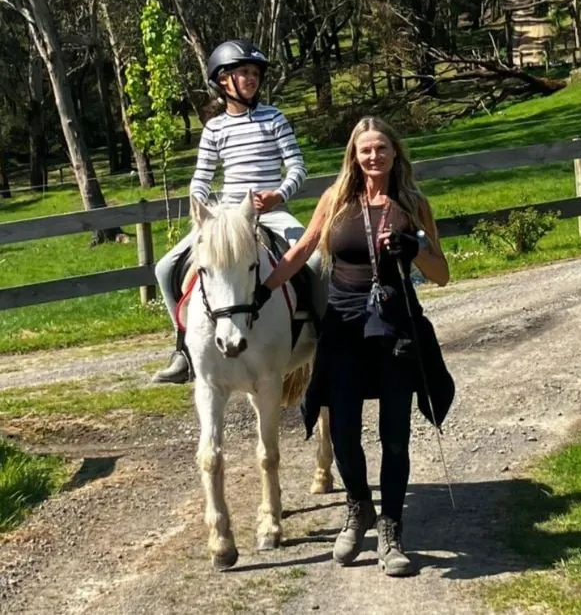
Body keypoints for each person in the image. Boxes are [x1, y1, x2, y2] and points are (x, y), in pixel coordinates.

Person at [254, 116, 452, 577]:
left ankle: (391, 529)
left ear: (395, 152)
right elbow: (301, 251)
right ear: (354, 155)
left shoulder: (413, 203)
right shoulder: (336, 199)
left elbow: (441, 274)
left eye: (382, 148)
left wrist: (411, 248)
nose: (374, 156)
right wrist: (261, 293)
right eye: (366, 150)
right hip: (343, 326)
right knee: (342, 430)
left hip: (396, 325)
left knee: (395, 435)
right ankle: (358, 507)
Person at [152, 39, 311, 384]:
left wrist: (278, 194)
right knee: (165, 268)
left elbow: (297, 166)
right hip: (225, 220)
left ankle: (324, 334)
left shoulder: (274, 118)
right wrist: (203, 209)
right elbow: (201, 178)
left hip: (270, 213)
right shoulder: (214, 128)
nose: (251, 78)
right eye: (243, 73)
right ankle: (183, 347)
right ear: (224, 81)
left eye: (255, 73)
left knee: (315, 262)